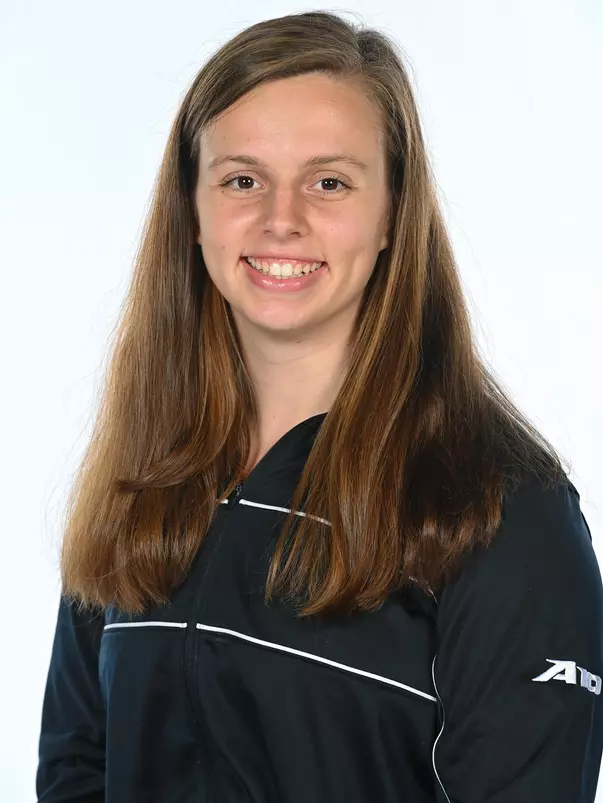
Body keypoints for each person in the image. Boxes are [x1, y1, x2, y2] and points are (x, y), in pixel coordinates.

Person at [36, 9, 603, 803]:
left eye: (328, 181)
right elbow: (75, 773)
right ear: (191, 212)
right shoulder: (144, 479)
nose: (281, 218)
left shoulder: (496, 507)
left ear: (390, 218)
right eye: (242, 179)